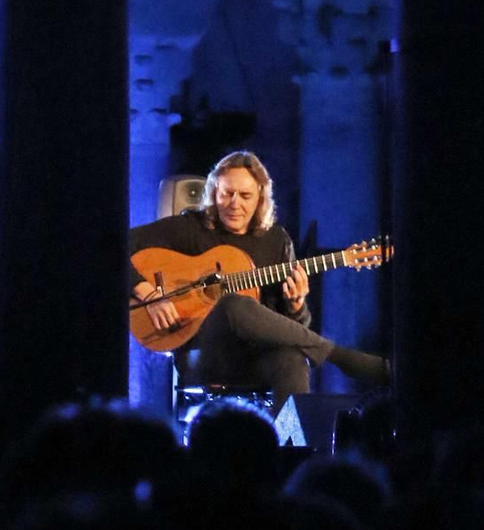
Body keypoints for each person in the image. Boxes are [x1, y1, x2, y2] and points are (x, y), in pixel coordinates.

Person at [128, 151, 388, 401]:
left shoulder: (276, 241)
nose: (235, 203)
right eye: (226, 193)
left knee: (292, 360)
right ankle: (339, 357)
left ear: (260, 198)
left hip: (255, 357)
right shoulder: (190, 228)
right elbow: (119, 244)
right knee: (233, 303)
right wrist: (148, 293)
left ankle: (293, 444)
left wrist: (296, 305)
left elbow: (291, 328)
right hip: (202, 354)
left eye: (245, 195)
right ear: (214, 193)